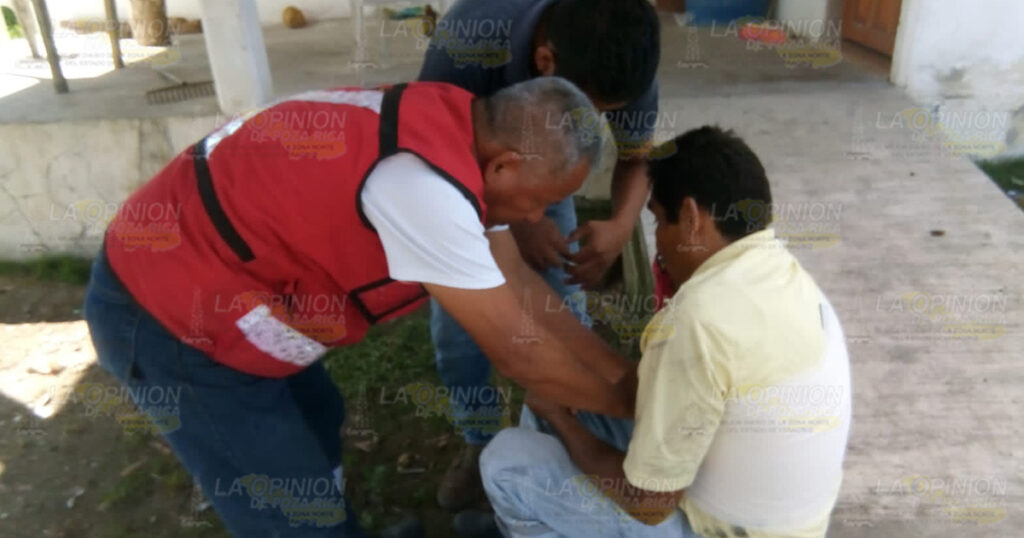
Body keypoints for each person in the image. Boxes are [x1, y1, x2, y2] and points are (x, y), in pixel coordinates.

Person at [83, 77, 637, 538]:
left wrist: (628, 379)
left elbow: (518, 282)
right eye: (542, 198)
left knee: (317, 422)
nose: (541, 215)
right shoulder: (422, 187)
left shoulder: (464, 133)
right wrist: (652, 413)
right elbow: (521, 356)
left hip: (244, 301)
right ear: (504, 166)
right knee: (291, 507)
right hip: (168, 314)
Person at [476, 126, 853, 538]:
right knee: (570, 405)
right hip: (784, 525)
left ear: (691, 218)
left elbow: (649, 505)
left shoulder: (699, 320)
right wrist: (567, 398)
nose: (659, 243)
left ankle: (536, 508)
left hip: (716, 530)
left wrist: (563, 422)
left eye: (657, 219)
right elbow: (642, 387)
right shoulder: (783, 277)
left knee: (506, 463)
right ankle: (545, 507)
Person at [417, 0, 661, 510]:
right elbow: (434, 162)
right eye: (588, 109)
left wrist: (619, 227)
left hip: (532, 172)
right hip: (456, 184)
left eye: (608, 116)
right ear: (546, 63)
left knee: (557, 307)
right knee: (460, 330)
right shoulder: (466, 44)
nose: (598, 127)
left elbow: (639, 156)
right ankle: (480, 439)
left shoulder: (623, 58)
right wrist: (510, 223)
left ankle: (559, 432)